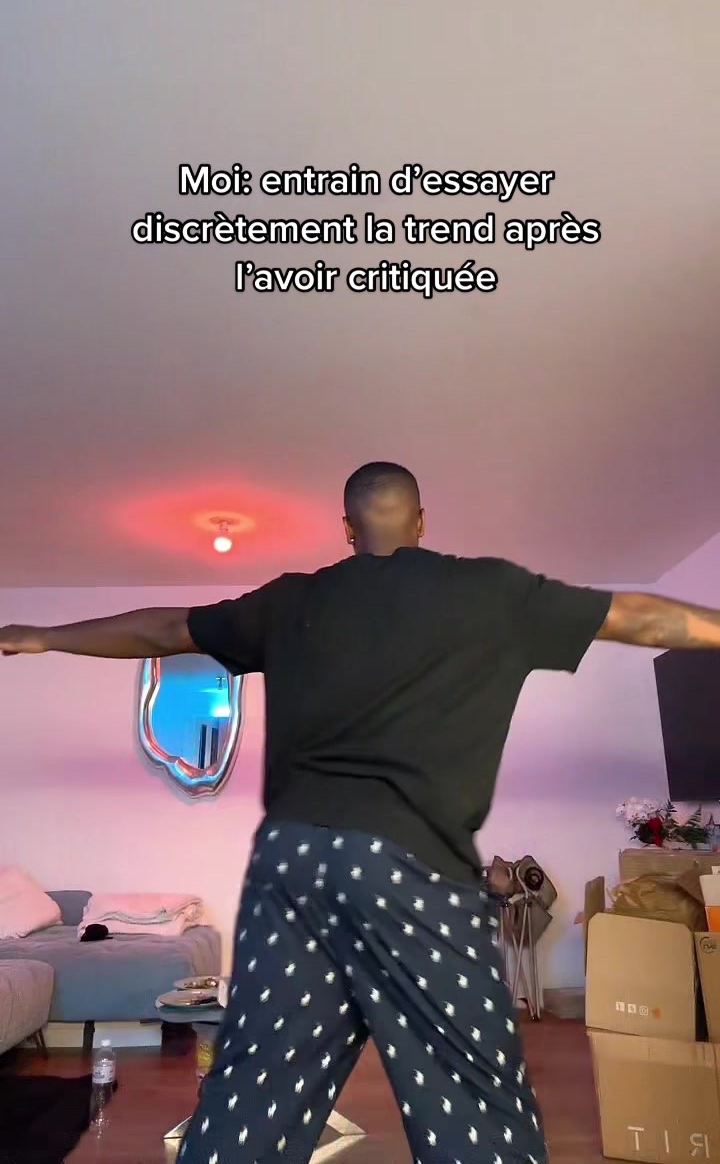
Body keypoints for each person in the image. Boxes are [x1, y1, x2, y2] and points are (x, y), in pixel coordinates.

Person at [2, 461, 720, 1164]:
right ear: (421, 522)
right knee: (470, 1094)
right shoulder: (492, 591)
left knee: (256, 1092)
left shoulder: (289, 601)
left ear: (347, 530)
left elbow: (166, 630)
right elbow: (640, 616)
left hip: (293, 866)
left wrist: (43, 636)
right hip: (410, 868)